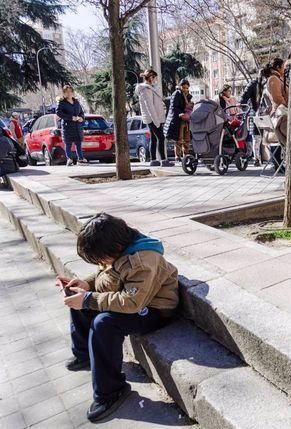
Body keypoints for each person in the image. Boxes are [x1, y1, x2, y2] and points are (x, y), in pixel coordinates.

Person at [58, 213, 178, 422]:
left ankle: (110, 392)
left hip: (153, 309)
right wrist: (85, 285)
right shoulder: (119, 248)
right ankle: (84, 354)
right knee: (79, 302)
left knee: (103, 323)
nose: (101, 263)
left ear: (114, 247)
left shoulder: (142, 261)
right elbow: (105, 274)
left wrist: (88, 299)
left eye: (101, 258)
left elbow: (132, 303)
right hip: (133, 300)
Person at [136, 69, 172, 167]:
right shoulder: (145, 90)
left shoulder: (148, 89)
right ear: (151, 77)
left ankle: (154, 160)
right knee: (161, 138)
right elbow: (150, 107)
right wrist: (156, 121)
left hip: (153, 118)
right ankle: (163, 160)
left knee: (154, 138)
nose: (156, 80)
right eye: (155, 78)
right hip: (153, 118)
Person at [56, 85, 87, 166]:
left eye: (70, 91)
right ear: (64, 93)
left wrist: (81, 118)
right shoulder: (62, 102)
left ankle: (80, 159)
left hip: (77, 126)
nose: (69, 93)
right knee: (68, 143)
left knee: (78, 143)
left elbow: (81, 112)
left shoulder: (76, 101)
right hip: (67, 126)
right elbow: (58, 112)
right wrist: (70, 118)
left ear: (72, 92)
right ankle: (69, 159)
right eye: (67, 92)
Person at [164, 79, 192, 162]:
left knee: (187, 139)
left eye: (187, 88)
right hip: (178, 119)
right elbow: (173, 107)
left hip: (186, 119)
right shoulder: (176, 94)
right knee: (179, 139)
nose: (185, 89)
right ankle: (178, 156)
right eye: (184, 87)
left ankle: (186, 155)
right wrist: (181, 113)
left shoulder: (188, 96)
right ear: (180, 86)